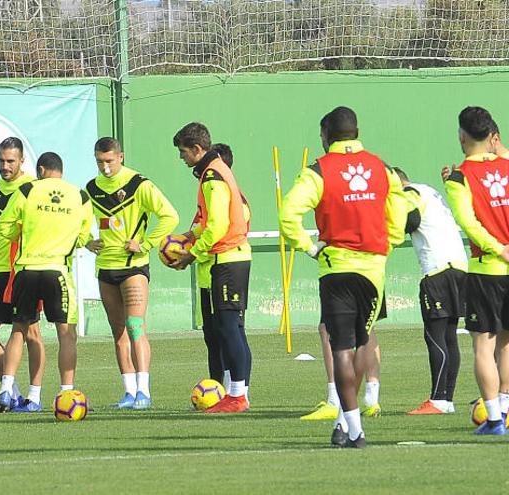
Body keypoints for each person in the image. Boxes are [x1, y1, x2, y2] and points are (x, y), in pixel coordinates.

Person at [279, 107, 406, 447]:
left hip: (336, 268)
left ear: (325, 135)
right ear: (357, 130)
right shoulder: (382, 167)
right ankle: (344, 422)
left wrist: (308, 247)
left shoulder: (318, 170)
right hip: (373, 270)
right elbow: (401, 207)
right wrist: (389, 242)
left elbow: (288, 213)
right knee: (363, 340)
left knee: (341, 348)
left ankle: (355, 429)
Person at [0, 152, 92, 411]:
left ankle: (6, 389)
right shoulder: (80, 196)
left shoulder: (27, 190)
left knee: (19, 330)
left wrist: (24, 232)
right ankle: (66, 395)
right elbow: (82, 237)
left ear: (40, 170)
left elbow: (4, 227)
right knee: (66, 334)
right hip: (57, 270)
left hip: (27, 270)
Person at [84, 137, 178, 409]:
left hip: (133, 268)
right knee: (118, 332)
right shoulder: (91, 189)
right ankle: (128, 391)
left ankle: (144, 392)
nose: (105, 168)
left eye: (110, 161)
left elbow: (170, 215)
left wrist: (146, 243)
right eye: (100, 162)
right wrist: (86, 240)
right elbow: (78, 220)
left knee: (136, 327)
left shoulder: (139, 184)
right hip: (105, 269)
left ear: (121, 157)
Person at [171, 125, 253, 413]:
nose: (181, 158)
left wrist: (191, 254)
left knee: (230, 329)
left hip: (227, 259)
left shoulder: (213, 177)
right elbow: (208, 223)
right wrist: (189, 237)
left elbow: (218, 225)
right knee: (231, 330)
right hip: (230, 258)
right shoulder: (214, 171)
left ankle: (238, 395)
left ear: (196, 149)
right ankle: (237, 394)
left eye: (183, 151)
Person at [443, 106, 509, 434]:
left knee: (483, 345)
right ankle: (507, 409)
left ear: (462, 136)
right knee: (507, 343)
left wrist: (499, 249)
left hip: (488, 270)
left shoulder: (459, 178)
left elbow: (470, 224)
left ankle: (495, 419)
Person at [0, 137, 46, 412]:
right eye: (0, 161)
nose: (5, 166)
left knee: (31, 333)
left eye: (10, 161)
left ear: (21, 161)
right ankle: (13, 394)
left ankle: (34, 396)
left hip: (22, 269)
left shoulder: (33, 189)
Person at [391, 167, 466, 415]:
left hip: (437, 271)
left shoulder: (408, 193)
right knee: (449, 336)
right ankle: (446, 400)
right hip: (458, 267)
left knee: (434, 336)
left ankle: (437, 400)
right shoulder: (429, 191)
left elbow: (410, 221)